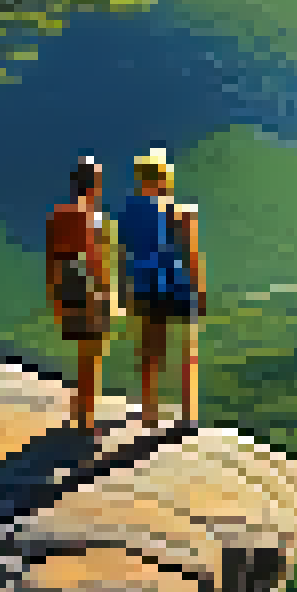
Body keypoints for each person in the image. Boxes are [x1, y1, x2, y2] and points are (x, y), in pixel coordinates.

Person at [117, 148, 208, 425]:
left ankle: (149, 411)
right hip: (177, 285)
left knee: (149, 349)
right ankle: (188, 414)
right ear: (164, 179)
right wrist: (199, 291)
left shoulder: (128, 214)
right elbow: (192, 255)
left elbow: (123, 255)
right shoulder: (180, 212)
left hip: (144, 285)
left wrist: (124, 292)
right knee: (187, 348)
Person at [46, 155, 120, 431]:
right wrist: (106, 292)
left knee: (82, 353)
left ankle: (79, 412)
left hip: (65, 283)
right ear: (95, 184)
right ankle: (85, 419)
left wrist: (54, 295)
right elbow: (93, 257)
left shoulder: (58, 214)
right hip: (87, 283)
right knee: (93, 354)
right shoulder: (93, 215)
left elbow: (52, 259)